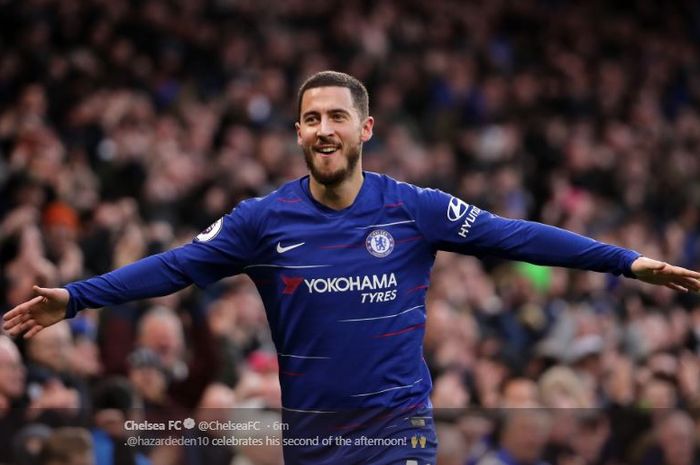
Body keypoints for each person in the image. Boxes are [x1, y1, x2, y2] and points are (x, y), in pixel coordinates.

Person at [4, 70, 700, 465]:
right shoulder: (262, 220)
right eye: (312, 118)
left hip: (399, 436)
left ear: (365, 128)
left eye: (338, 115)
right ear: (299, 132)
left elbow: (513, 235)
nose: (325, 128)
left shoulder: (412, 208)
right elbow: (177, 266)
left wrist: (627, 262)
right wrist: (76, 297)